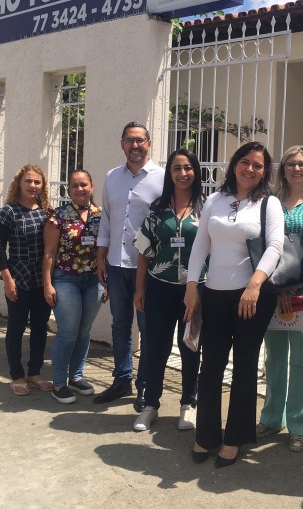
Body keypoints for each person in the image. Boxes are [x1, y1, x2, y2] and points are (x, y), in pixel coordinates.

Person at [185, 141, 284, 468]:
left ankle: (235, 438)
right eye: (245, 162)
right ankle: (207, 435)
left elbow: (275, 247)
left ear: (264, 171)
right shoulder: (215, 199)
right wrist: (191, 286)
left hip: (250, 297)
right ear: (234, 164)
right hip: (213, 294)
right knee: (210, 366)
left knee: (244, 366)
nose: (250, 169)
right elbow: (201, 244)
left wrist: (255, 284)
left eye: (258, 165)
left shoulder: (269, 204)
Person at [257, 145, 303, 452]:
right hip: (272, 292)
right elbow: (262, 245)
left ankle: (299, 425)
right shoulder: (269, 203)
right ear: (282, 169)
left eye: (302, 164)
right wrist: (276, 288)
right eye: (290, 164)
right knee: (274, 358)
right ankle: (272, 418)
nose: (296, 169)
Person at [131, 149, 205, 432]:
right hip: (160, 288)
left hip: (194, 291)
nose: (183, 173)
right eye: (177, 168)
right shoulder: (157, 207)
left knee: (190, 347)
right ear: (170, 173)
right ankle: (151, 405)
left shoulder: (206, 206)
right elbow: (144, 251)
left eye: (188, 167)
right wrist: (140, 289)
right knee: (156, 348)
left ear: (196, 171)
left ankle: (188, 404)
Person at [95, 122, 165, 410]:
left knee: (148, 329)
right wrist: (100, 258)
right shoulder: (112, 177)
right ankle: (121, 379)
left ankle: (145, 386)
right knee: (120, 325)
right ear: (122, 144)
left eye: (140, 140)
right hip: (115, 264)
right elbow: (107, 221)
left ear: (149, 143)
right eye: (129, 140)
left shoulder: (163, 178)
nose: (135, 146)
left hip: (147, 268)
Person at [0, 165, 54, 396]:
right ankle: (17, 375)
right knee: (16, 328)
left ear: (42, 186)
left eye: (37, 182)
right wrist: (7, 279)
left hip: (42, 278)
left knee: (40, 327)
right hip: (18, 277)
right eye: (28, 181)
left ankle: (34, 372)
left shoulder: (48, 212)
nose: (33, 186)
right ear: (19, 183)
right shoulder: (8, 212)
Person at [42, 170, 103, 404]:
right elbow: (49, 252)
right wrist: (47, 284)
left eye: (84, 185)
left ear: (92, 187)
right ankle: (58, 382)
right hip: (65, 279)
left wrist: (104, 281)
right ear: (69, 189)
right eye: (75, 186)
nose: (80, 189)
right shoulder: (58, 216)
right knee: (68, 332)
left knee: (84, 331)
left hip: (93, 281)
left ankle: (76, 377)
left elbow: (104, 249)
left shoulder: (101, 215)